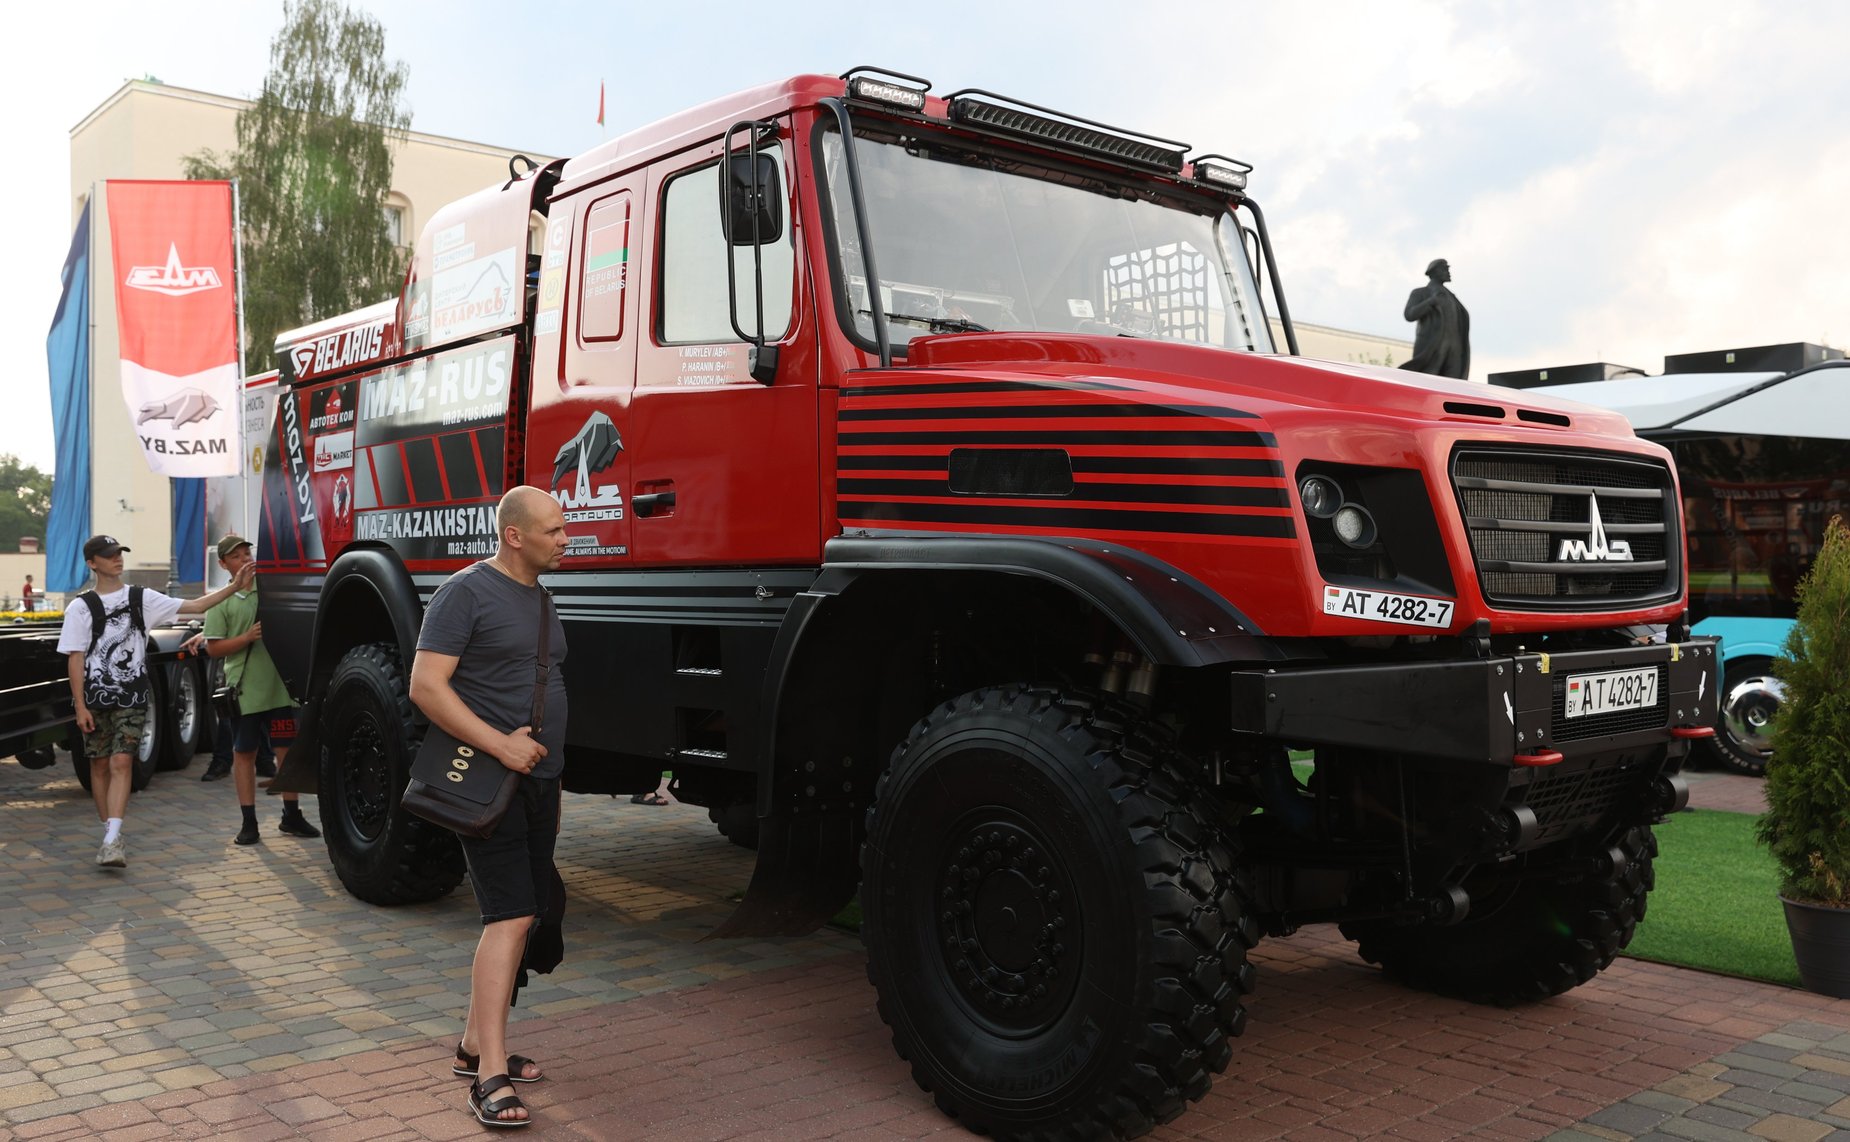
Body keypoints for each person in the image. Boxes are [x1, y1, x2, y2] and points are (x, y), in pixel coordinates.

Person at [409, 486, 569, 1128]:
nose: (565, 539)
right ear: (514, 535)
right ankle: (489, 1076)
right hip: (490, 781)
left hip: (540, 782)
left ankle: (475, 1043)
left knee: (530, 911)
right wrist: (501, 745)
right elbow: (426, 686)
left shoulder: (540, 598)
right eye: (554, 530)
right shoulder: (465, 592)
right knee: (510, 915)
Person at [58, 533, 253, 868]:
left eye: (120, 553)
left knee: (121, 762)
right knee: (99, 765)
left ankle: (113, 838)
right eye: (109, 555)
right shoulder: (80, 608)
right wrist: (79, 705)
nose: (117, 559)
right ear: (92, 563)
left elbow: (195, 606)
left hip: (133, 696)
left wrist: (235, 586)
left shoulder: (141, 598)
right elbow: (75, 658)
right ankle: (109, 831)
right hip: (95, 697)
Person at [201, 535, 320, 845]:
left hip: (280, 690)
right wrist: (246, 638)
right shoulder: (220, 601)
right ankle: (248, 821)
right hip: (245, 692)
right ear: (223, 564)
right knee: (244, 754)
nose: (245, 559)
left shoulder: (272, 592)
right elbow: (213, 649)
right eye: (236, 556)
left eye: (247, 553)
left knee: (286, 751)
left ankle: (291, 815)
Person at [1399, 257, 1471, 379]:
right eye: (1445, 269)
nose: (1448, 272)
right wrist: (1431, 301)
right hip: (1432, 346)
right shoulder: (1421, 293)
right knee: (1428, 380)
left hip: (1455, 347)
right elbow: (1409, 315)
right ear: (1435, 271)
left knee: (1454, 385)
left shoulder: (1451, 297)